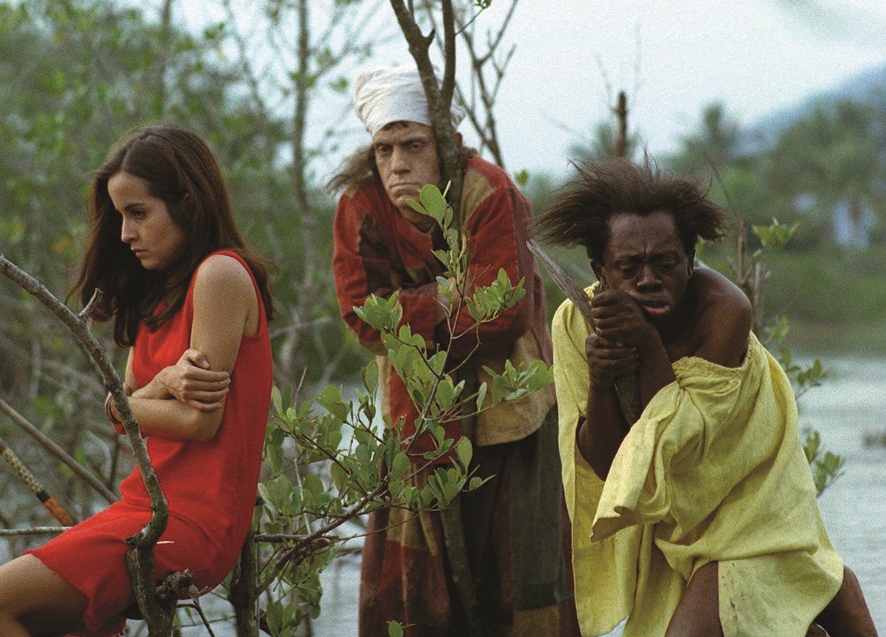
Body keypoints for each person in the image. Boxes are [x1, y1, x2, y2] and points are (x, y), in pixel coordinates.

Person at [536, 157, 878, 637]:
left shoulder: (724, 313)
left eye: (665, 263)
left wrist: (649, 346)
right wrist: (601, 377)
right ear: (601, 271)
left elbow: (682, 441)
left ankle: (824, 583)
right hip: (676, 525)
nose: (648, 279)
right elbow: (607, 463)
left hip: (754, 516)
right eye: (628, 267)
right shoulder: (575, 325)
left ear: (691, 261)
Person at [330, 64, 579, 636]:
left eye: (413, 145)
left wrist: (407, 306)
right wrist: (443, 297)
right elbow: (364, 319)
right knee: (415, 598)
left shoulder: (489, 194)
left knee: (521, 583)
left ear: (443, 143)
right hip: (415, 421)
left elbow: (499, 314)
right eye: (385, 148)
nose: (397, 164)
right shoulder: (361, 206)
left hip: (507, 418)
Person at [0, 124, 274, 637]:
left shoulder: (220, 275)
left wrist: (131, 403)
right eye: (121, 216)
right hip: (140, 507)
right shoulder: (155, 294)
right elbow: (125, 414)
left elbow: (197, 422)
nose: (125, 234)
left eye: (139, 214)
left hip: (188, 526)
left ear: (188, 205)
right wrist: (163, 382)